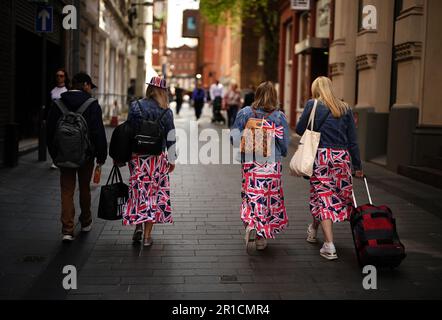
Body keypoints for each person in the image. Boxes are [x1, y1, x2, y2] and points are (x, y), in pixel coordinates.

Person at [295, 76, 363, 261]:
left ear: (315, 89)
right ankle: (313, 229)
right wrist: (357, 166)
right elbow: (353, 140)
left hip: (322, 157)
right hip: (342, 158)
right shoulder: (345, 108)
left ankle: (329, 245)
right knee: (331, 196)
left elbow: (300, 129)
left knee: (324, 196)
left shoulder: (313, 105)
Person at [47, 72, 108, 242]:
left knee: (66, 191)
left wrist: (55, 155)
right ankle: (86, 221)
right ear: (86, 85)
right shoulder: (92, 105)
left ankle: (67, 229)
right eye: (90, 86)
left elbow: (50, 132)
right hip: (86, 156)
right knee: (84, 188)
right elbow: (98, 133)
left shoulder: (58, 104)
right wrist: (101, 156)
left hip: (64, 155)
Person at [230, 81, 290, 254]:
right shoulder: (279, 116)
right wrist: (282, 153)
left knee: (251, 195)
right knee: (268, 198)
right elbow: (284, 143)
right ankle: (261, 237)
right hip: (272, 164)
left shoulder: (245, 113)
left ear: (257, 95)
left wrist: (247, 135)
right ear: (274, 96)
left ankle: (250, 223)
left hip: (250, 162)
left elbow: (233, 139)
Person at [122, 76, 177, 247]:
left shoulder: (135, 106)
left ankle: (138, 226)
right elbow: (171, 137)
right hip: (156, 159)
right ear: (162, 92)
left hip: (137, 158)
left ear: (149, 89)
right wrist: (172, 159)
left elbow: (128, 132)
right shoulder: (166, 111)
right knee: (153, 194)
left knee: (139, 192)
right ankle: (147, 236)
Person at [49, 69, 70, 169]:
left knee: (61, 139)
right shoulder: (52, 90)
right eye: (57, 76)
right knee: (53, 139)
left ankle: (61, 158)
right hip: (53, 118)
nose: (59, 78)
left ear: (65, 77)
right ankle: (55, 159)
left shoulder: (67, 91)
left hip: (62, 118)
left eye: (61, 76)